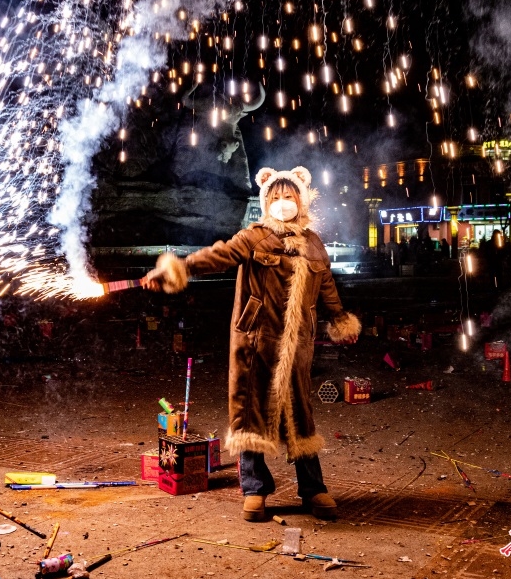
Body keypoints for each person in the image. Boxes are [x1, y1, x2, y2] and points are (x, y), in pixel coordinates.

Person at [144, 166, 361, 522]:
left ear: (301, 200)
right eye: (275, 197)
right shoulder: (253, 237)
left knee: (301, 411)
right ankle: (255, 489)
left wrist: (339, 319)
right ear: (265, 201)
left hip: (298, 344)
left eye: (288, 196)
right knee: (249, 409)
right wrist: (178, 269)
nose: (282, 203)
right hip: (255, 339)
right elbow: (218, 255)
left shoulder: (314, 243)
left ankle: (313, 489)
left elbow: (327, 288)